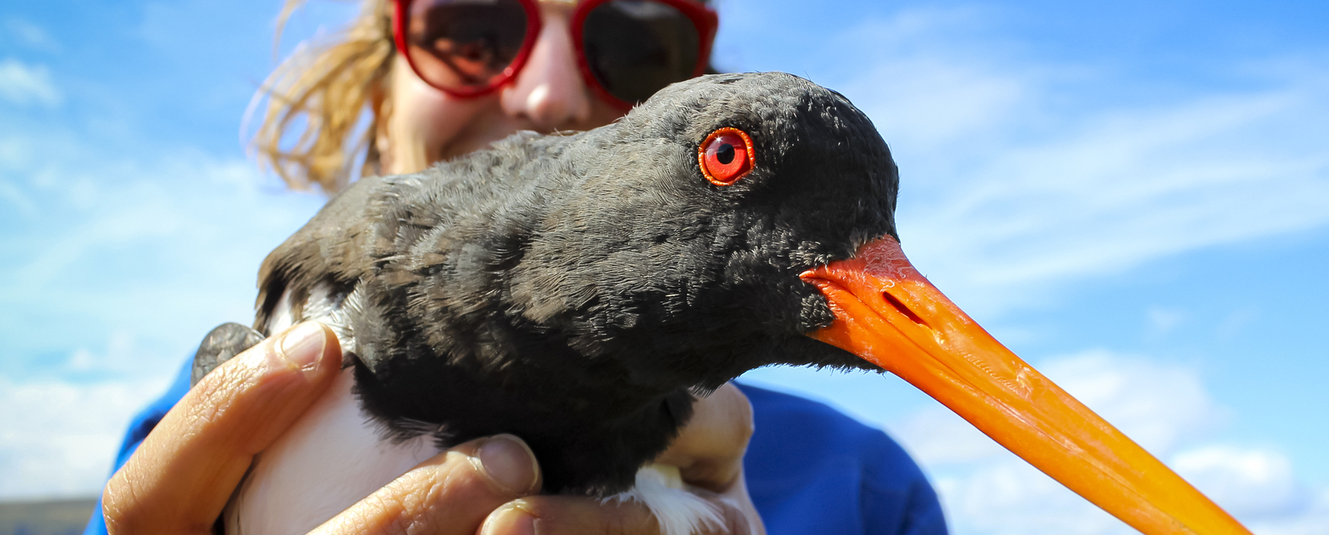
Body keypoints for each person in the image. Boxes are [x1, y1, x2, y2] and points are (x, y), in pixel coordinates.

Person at [87, 0, 948, 534]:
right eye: (472, 26)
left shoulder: (870, 494)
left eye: (633, 43)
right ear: (380, 93)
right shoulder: (192, 428)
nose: (547, 95)